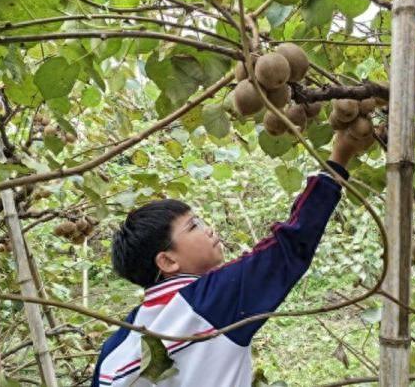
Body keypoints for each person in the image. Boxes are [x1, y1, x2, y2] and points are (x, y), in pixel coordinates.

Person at [92, 133, 360, 387]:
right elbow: (289, 247)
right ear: (167, 261)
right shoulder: (209, 301)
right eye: (193, 225)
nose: (208, 228)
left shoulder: (118, 342)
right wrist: (339, 158)